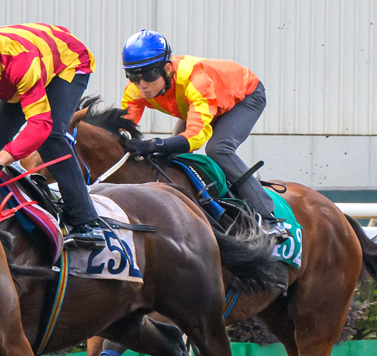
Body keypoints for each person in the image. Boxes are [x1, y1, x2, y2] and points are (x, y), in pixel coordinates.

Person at [0, 3, 108, 246]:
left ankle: (87, 222)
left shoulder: (16, 59)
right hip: (19, 75)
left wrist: (1, 160)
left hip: (66, 63)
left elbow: (40, 125)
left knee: (50, 137)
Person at [115, 30, 284, 239]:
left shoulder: (195, 79)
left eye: (148, 75)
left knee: (218, 149)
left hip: (244, 96)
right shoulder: (135, 90)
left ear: (167, 68)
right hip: (200, 104)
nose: (142, 85)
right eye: (133, 76)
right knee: (169, 157)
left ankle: (269, 218)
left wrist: (152, 144)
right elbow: (124, 127)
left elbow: (196, 136)